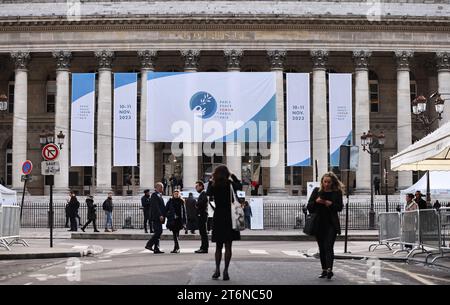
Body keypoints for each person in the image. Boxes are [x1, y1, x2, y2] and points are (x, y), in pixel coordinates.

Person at [206, 165, 242, 281]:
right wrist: (233, 176)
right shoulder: (230, 184)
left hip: (218, 216)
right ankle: (226, 270)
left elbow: (208, 193)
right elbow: (240, 186)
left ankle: (217, 269)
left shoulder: (214, 185)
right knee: (228, 246)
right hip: (229, 216)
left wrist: (211, 179)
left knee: (218, 246)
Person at [307, 172, 344, 280]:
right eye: (325, 182)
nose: (327, 184)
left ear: (332, 182)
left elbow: (339, 207)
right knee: (322, 248)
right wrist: (316, 201)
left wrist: (330, 203)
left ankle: (329, 270)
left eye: (329, 182)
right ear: (322, 182)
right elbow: (309, 206)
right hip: (319, 223)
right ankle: (324, 269)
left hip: (331, 224)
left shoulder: (337, 193)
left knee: (328, 246)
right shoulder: (317, 191)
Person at [145, 182, 166, 254]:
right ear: (157, 187)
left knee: (158, 232)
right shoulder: (154, 195)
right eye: (161, 187)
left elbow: (162, 206)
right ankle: (149, 244)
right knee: (158, 232)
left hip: (159, 217)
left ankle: (156, 248)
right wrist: (160, 215)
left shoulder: (159, 195)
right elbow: (156, 206)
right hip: (156, 217)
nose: (162, 189)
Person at [195, 180, 209, 253]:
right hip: (201, 215)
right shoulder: (202, 194)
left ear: (201, 186)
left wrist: (197, 204)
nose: (196, 188)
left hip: (202, 215)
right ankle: (202, 247)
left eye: (197, 186)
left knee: (203, 232)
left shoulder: (204, 193)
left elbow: (203, 202)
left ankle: (204, 248)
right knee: (202, 232)